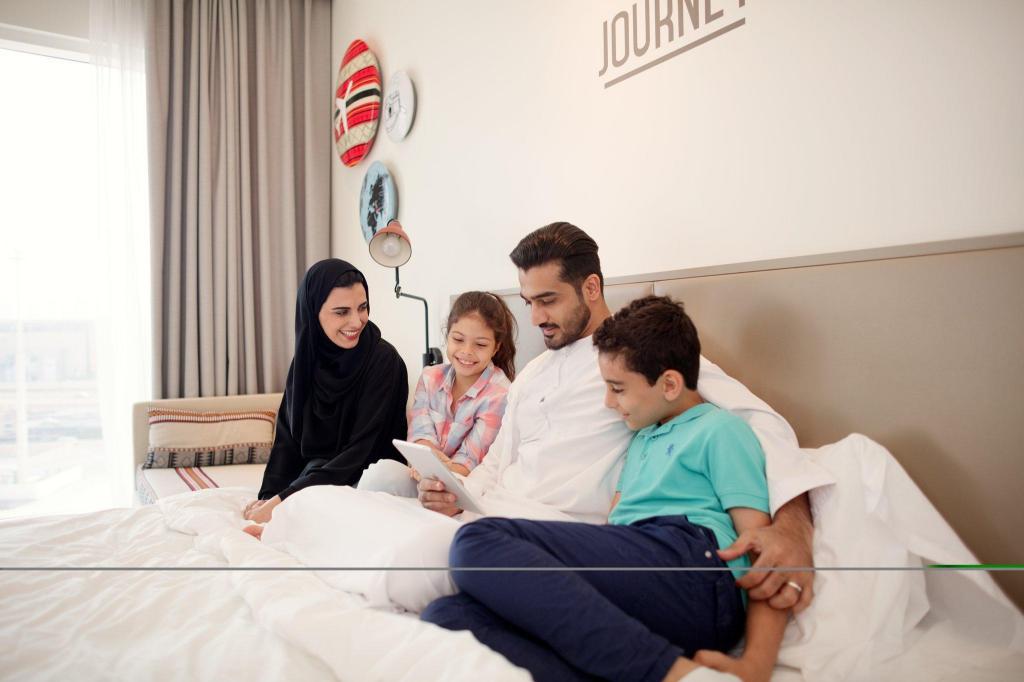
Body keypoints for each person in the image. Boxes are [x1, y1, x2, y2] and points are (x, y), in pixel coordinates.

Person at [257, 223, 831, 613]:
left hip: (551, 532)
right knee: (344, 496)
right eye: (528, 302)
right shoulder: (532, 373)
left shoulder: (642, 361)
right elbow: (495, 463)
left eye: (547, 301)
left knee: (398, 554)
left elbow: (761, 424)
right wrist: (453, 491)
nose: (534, 318)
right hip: (485, 513)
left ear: (591, 287)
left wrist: (791, 529)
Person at [422, 296, 787, 682]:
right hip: (642, 580)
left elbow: (766, 553)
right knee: (448, 616)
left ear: (669, 384)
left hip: (695, 570)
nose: (608, 402)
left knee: (475, 541)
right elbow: (617, 533)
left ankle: (674, 674)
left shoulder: (719, 430)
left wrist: (756, 665)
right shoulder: (641, 440)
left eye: (617, 388)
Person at [242, 259, 408, 525]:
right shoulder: (306, 360)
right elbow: (287, 438)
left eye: (362, 307)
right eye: (341, 312)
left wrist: (285, 500)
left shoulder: (384, 361)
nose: (357, 321)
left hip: (367, 481)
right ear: (313, 312)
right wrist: (270, 495)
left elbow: (360, 452)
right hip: (315, 477)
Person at [357, 290, 517, 496]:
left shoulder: (500, 394)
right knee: (379, 473)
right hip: (426, 473)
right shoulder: (430, 377)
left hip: (465, 485)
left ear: (496, 348)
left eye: (480, 344)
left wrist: (434, 470)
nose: (467, 351)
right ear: (447, 336)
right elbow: (421, 435)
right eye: (458, 339)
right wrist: (427, 463)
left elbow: (470, 461)